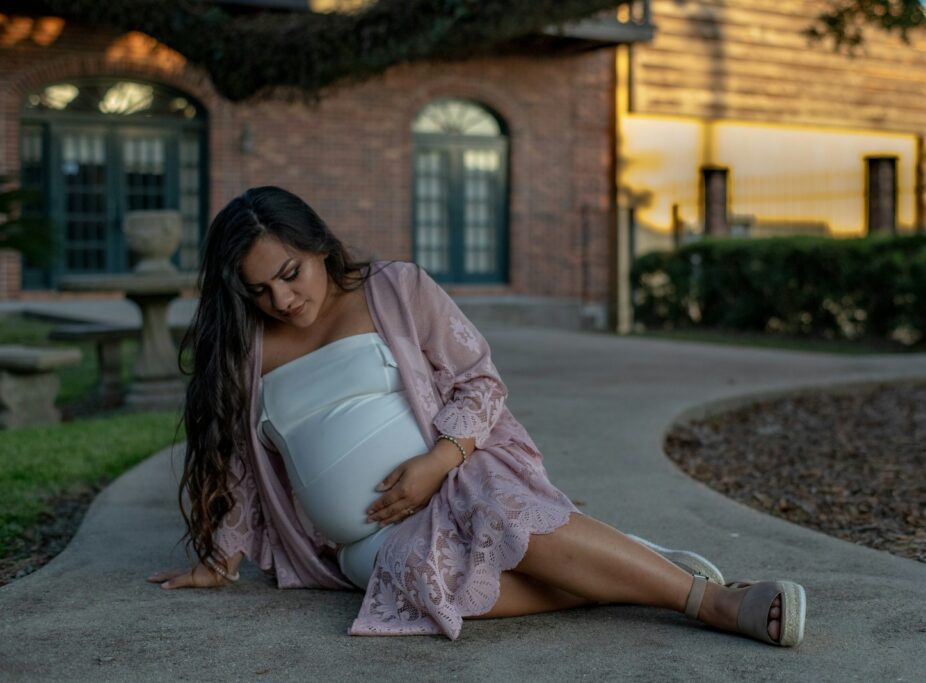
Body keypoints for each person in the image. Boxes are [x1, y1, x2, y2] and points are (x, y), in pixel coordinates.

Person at [147, 186, 806, 646]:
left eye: (291, 272)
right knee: (438, 592)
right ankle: (636, 565)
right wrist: (220, 554)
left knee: (497, 512)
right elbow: (234, 459)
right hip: (369, 544)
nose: (284, 298)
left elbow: (480, 382)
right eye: (260, 289)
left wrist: (439, 461)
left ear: (317, 244)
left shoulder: (394, 290)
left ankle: (712, 602)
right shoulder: (250, 347)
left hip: (459, 477)